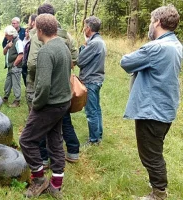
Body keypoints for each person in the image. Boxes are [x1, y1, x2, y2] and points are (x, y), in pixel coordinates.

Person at [120, 5, 182, 200]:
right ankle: (157, 184)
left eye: (150, 21)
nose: (149, 25)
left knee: (151, 154)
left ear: (157, 22)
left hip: (151, 109)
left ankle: (159, 193)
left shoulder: (155, 47)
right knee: (156, 148)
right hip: (165, 107)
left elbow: (126, 61)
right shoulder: (177, 45)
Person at [19, 14, 71, 199]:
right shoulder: (63, 46)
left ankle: (39, 180)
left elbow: (44, 85)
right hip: (63, 103)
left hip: (49, 105)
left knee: (26, 140)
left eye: (35, 29)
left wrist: (36, 105)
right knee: (55, 142)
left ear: (39, 30)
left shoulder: (46, 52)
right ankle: (56, 185)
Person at [27, 3, 80, 166]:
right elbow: (75, 58)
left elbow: (33, 65)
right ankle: (70, 154)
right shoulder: (65, 37)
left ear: (39, 26)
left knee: (30, 137)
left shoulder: (41, 41)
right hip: (63, 92)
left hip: (49, 96)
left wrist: (36, 103)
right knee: (60, 130)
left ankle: (41, 163)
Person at [77, 16, 106, 146]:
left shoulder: (94, 43)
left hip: (91, 80)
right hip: (96, 79)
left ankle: (94, 140)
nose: (84, 29)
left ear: (88, 28)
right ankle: (98, 136)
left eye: (85, 26)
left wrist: (83, 47)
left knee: (91, 111)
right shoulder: (99, 41)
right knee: (96, 109)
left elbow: (80, 60)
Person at [2, 25, 24, 108]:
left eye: (6, 35)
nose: (5, 36)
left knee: (16, 84)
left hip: (15, 67)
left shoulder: (18, 42)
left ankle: (17, 100)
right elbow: (4, 53)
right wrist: (7, 47)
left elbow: (21, 55)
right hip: (10, 67)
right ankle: (5, 97)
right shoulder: (9, 42)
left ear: (11, 35)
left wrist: (14, 65)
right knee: (8, 83)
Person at [21, 14, 37, 87]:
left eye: (29, 21)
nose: (28, 23)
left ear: (33, 22)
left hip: (31, 68)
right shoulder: (28, 33)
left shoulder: (35, 35)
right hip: (26, 65)